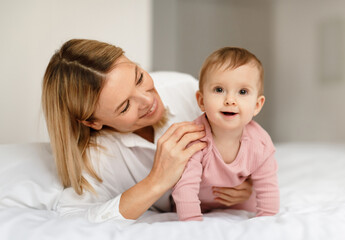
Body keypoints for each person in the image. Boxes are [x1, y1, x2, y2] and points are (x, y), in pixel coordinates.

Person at [41, 39, 253, 223]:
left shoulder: (185, 89)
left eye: (140, 78)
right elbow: (72, 220)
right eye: (125, 106)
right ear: (91, 122)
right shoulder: (99, 158)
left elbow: (249, 141)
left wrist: (247, 183)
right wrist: (156, 181)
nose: (148, 100)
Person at [172, 47, 280, 221]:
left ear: (257, 105)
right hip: (200, 205)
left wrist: (266, 221)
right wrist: (191, 223)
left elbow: (268, 188)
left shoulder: (260, 143)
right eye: (219, 90)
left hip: (241, 205)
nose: (230, 100)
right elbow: (185, 186)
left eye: (242, 92)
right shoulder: (195, 138)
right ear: (201, 100)